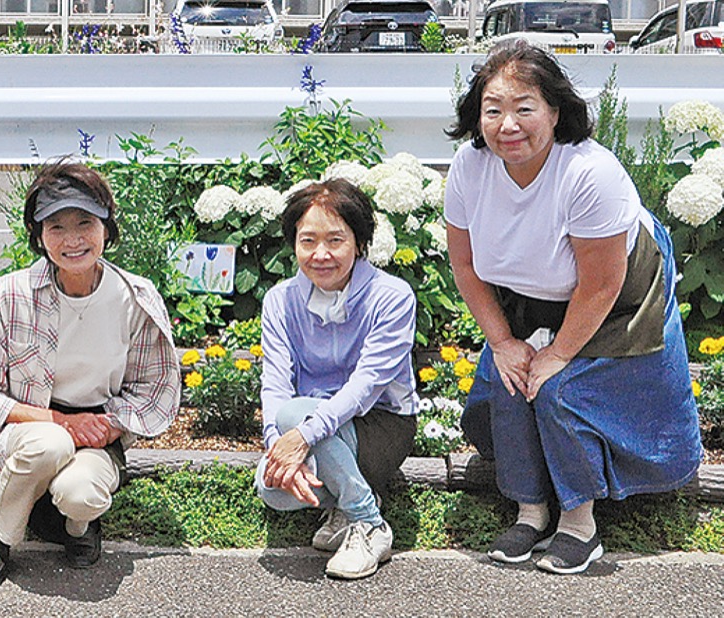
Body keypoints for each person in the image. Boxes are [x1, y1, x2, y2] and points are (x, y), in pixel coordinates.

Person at [444, 40, 701, 574]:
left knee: (559, 388)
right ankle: (530, 508)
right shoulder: (469, 167)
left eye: (524, 108)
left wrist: (559, 353)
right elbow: (465, 267)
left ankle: (580, 523)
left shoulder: (589, 172)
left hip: (617, 292)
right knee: (512, 379)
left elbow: (601, 285)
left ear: (556, 112)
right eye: (493, 110)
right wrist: (503, 342)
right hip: (529, 289)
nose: (507, 125)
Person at [0, 161, 179, 588]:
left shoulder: (135, 298)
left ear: (106, 228)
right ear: (38, 234)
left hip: (99, 426)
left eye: (85, 223)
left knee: (81, 492)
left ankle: (78, 525)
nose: (72, 239)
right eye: (56, 227)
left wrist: (109, 425)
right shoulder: (10, 294)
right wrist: (61, 422)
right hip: (30, 427)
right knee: (51, 442)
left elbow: (153, 388)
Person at [255, 179, 418, 580]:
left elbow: (365, 387)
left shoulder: (392, 296)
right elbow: (274, 383)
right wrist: (278, 447)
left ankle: (368, 522)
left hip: (380, 424)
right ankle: (345, 503)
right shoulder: (280, 300)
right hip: (306, 424)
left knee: (296, 414)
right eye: (308, 241)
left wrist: (302, 435)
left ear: (359, 243)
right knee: (271, 489)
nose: (320, 254)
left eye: (335, 240)